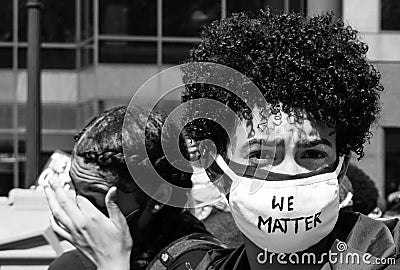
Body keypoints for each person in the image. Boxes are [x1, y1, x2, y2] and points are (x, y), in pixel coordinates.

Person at [46, 9, 400, 269]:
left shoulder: (385, 253)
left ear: (341, 169)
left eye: (312, 154)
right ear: (217, 173)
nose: (290, 173)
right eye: (260, 154)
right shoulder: (188, 266)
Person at [45, 106, 209, 270]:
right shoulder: (71, 265)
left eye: (98, 200)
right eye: (77, 193)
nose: (81, 212)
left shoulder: (199, 262)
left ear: (159, 196)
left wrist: (113, 265)